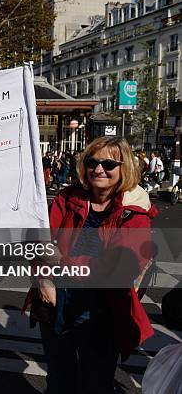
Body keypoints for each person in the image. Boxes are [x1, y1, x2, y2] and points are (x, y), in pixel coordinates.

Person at [27, 137, 157, 393]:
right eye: (92, 162)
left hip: (102, 313)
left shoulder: (136, 214)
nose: (98, 169)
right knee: (58, 381)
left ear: (124, 168)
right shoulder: (67, 197)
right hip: (55, 302)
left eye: (108, 163)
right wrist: (42, 279)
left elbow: (119, 268)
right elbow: (40, 244)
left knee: (96, 384)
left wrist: (62, 261)